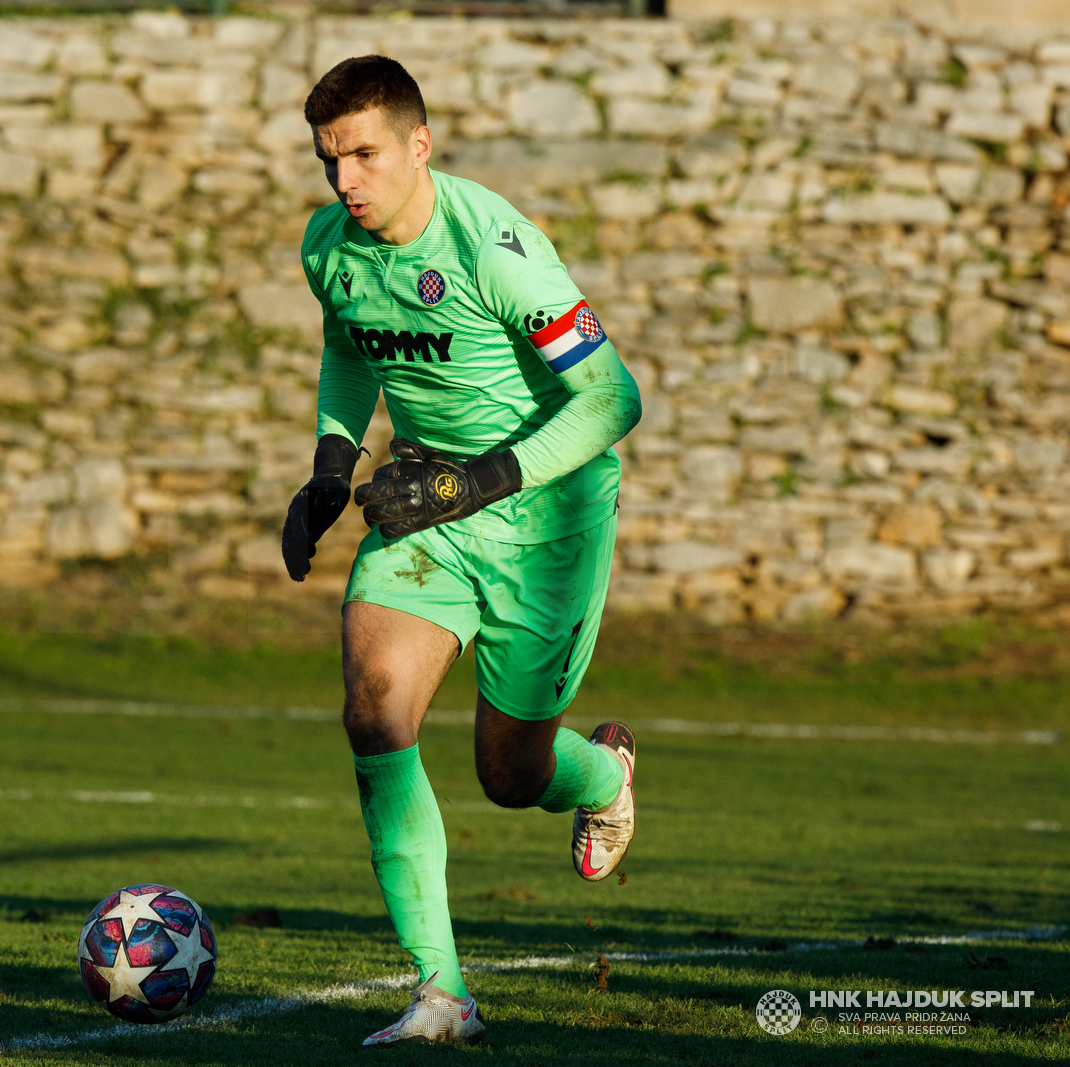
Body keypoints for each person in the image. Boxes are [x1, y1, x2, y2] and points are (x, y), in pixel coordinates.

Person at [281, 57, 643, 1046]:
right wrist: (328, 465)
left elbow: (614, 400)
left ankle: (604, 776)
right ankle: (442, 993)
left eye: (362, 155)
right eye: (328, 160)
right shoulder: (332, 247)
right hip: (423, 512)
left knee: (509, 772)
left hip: (548, 520)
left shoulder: (495, 247)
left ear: (417, 146)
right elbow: (350, 346)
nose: (344, 181)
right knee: (373, 708)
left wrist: (475, 480)